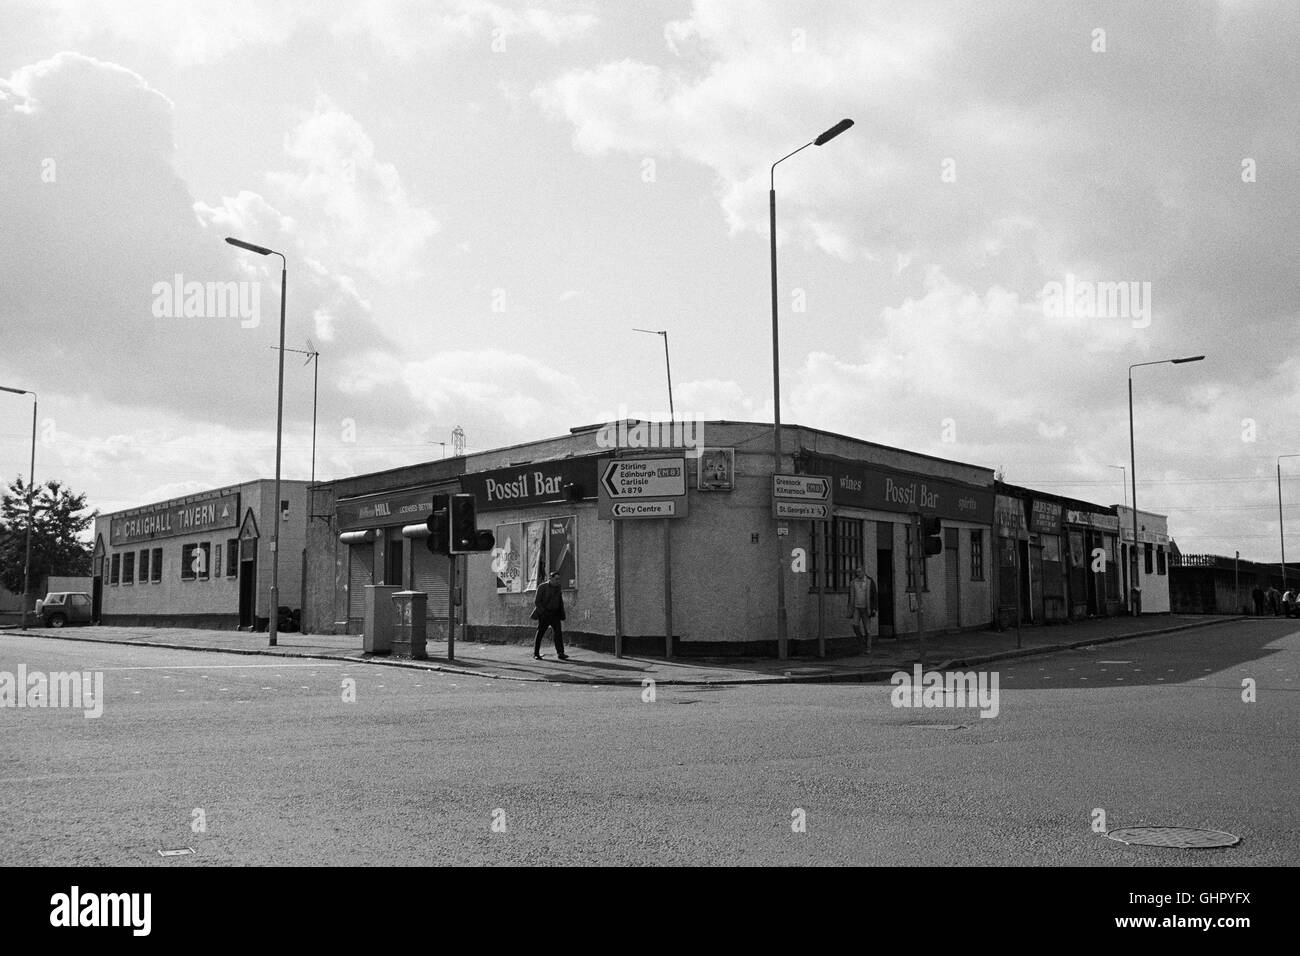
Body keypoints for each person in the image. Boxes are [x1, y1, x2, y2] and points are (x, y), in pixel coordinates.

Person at [532, 570, 568, 660]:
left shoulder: (558, 587)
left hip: (555, 614)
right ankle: (536, 653)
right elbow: (537, 602)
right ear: (550, 578)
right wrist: (543, 613)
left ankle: (560, 653)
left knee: (558, 633)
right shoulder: (542, 587)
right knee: (540, 633)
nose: (558, 581)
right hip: (545, 614)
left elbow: (560, 601)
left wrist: (561, 613)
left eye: (559, 579)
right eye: (556, 579)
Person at [847, 566, 878, 652]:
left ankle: (868, 647)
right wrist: (849, 607)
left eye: (860, 572)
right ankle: (861, 640)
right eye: (857, 572)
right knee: (855, 624)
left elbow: (874, 595)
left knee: (867, 629)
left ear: (864, 572)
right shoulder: (854, 582)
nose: (858, 573)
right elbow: (850, 595)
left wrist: (874, 608)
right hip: (856, 607)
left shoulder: (869, 581)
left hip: (866, 607)